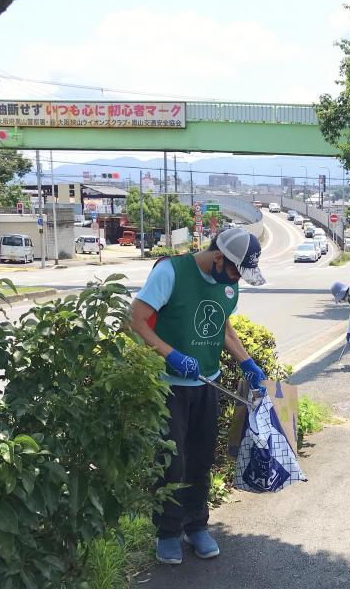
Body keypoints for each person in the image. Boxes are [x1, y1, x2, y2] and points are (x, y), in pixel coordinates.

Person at [129, 228, 268, 565]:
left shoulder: (227, 284)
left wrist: (246, 360)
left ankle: (196, 526)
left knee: (201, 459)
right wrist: (170, 354)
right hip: (167, 384)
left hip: (207, 383)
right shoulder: (171, 272)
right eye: (235, 270)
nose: (236, 279)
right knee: (172, 463)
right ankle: (167, 533)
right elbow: (135, 320)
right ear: (219, 257)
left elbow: (222, 325)